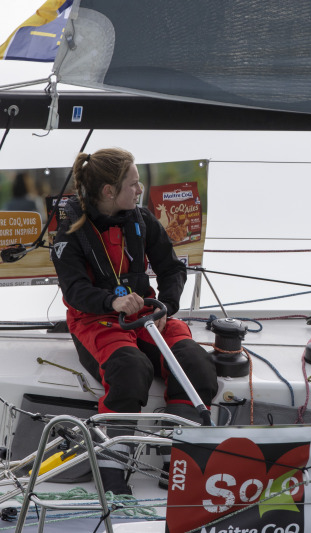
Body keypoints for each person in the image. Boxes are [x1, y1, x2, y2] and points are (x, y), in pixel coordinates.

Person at [51, 148, 218, 494]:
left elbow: (172, 268)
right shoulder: (71, 234)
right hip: (96, 319)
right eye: (134, 184)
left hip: (146, 313)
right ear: (109, 191)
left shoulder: (142, 220)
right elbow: (75, 291)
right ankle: (113, 467)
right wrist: (112, 300)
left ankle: (177, 460)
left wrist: (168, 305)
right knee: (130, 369)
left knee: (197, 366)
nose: (139, 189)